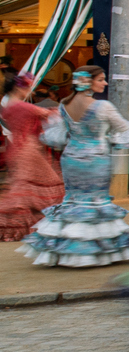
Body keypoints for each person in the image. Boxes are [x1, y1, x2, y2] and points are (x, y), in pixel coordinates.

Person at [19, 66, 129, 269]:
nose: (105, 83)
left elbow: (57, 135)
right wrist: (110, 137)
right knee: (95, 203)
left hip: (71, 158)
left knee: (73, 201)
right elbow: (125, 129)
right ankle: (94, 253)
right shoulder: (102, 106)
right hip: (96, 159)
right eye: (101, 79)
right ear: (89, 82)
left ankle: (65, 252)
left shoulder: (64, 104)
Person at [0, 74, 64, 242]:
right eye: (28, 87)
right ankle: (35, 225)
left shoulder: (8, 107)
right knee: (41, 186)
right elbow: (49, 115)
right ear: (19, 88)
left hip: (18, 149)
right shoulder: (22, 106)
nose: (30, 91)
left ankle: (23, 227)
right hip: (28, 150)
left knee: (25, 189)